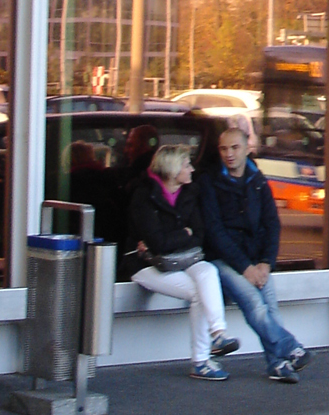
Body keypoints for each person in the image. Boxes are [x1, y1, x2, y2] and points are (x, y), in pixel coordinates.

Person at [198, 117, 307, 383]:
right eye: (224, 149)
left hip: (256, 259)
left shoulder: (257, 179)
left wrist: (265, 263)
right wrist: (245, 267)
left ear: (247, 148)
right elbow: (215, 232)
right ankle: (289, 348)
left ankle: (276, 365)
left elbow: (271, 223)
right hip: (223, 260)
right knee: (255, 305)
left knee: (271, 306)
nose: (229, 154)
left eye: (234, 148)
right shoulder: (209, 181)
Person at [128, 141, 239, 380]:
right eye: (187, 165)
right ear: (172, 169)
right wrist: (183, 233)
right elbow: (157, 244)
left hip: (186, 258)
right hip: (148, 264)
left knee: (208, 272)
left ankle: (219, 334)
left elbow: (199, 234)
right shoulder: (144, 195)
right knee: (200, 293)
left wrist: (176, 238)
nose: (192, 170)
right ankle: (201, 360)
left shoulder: (190, 192)